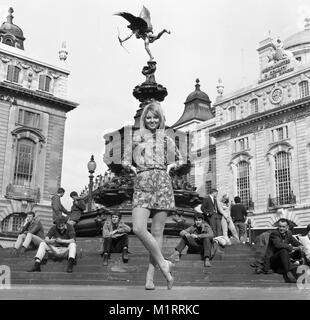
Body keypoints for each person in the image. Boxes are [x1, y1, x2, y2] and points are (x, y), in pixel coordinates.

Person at [122, 100, 183, 290]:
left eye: (155, 117)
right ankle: (164, 264)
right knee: (139, 228)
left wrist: (171, 166)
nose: (151, 120)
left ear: (160, 118)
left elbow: (180, 160)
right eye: (148, 117)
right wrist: (133, 169)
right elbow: (124, 160)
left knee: (157, 232)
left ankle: (150, 278)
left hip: (163, 183)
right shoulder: (136, 137)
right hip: (143, 181)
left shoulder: (167, 139)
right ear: (144, 118)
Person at [263, 218, 302, 283]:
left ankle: (294, 266)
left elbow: (294, 242)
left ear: (287, 227)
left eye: (283, 227)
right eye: (280, 226)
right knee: (283, 250)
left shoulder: (288, 233)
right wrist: (292, 248)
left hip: (283, 260)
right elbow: (278, 245)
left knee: (294, 251)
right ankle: (288, 273)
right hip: (273, 260)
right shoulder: (274, 233)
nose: (281, 228)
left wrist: (300, 246)